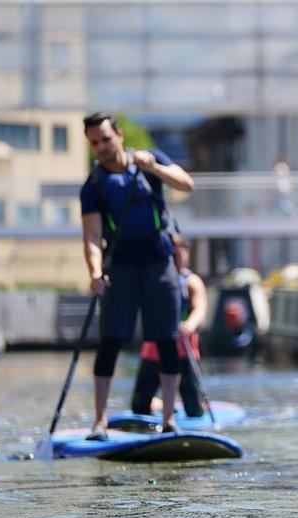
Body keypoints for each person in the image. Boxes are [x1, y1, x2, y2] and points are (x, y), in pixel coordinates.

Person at [79, 111, 195, 440]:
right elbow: (91, 235)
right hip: (121, 265)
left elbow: (186, 184)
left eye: (105, 138)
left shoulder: (150, 161)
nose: (101, 146)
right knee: (111, 341)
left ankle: (170, 419)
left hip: (159, 261)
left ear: (119, 135)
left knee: (166, 339)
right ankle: (100, 421)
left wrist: (152, 167)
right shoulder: (94, 186)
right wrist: (95, 271)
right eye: (94, 142)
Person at [131, 234, 207, 419]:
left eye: (181, 252)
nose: (177, 257)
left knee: (194, 410)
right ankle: (164, 402)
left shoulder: (191, 281)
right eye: (173, 253)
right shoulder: (155, 279)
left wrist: (189, 325)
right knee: (139, 407)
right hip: (154, 351)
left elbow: (200, 308)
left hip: (184, 350)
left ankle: (186, 401)